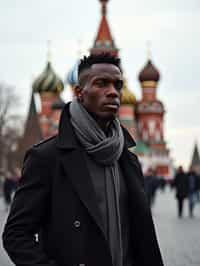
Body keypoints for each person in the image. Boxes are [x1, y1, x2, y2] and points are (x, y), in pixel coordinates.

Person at [2, 54, 164, 266]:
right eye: (102, 83)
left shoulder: (127, 158)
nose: (113, 92)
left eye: (118, 85)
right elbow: (16, 235)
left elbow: (141, 237)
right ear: (79, 92)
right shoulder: (47, 157)